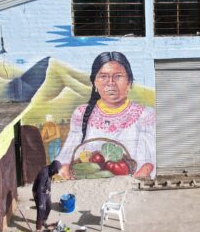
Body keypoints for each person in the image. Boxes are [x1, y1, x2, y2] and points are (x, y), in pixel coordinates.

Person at [56, 51, 156, 179]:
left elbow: (149, 160)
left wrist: (141, 173)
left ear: (129, 82)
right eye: (103, 76)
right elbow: (66, 156)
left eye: (118, 76)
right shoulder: (81, 114)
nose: (110, 83)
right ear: (95, 83)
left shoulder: (144, 115)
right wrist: (64, 168)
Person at [32, 160, 61, 232]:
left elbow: (48, 182)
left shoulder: (50, 171)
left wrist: (48, 190)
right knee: (41, 209)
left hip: (45, 191)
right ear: (53, 169)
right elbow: (39, 188)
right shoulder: (44, 173)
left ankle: (43, 221)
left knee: (49, 206)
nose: (56, 173)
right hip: (38, 192)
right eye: (56, 171)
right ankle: (38, 229)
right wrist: (40, 202)